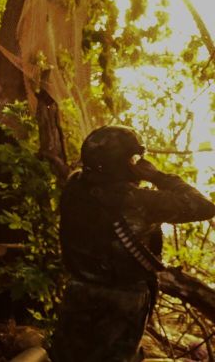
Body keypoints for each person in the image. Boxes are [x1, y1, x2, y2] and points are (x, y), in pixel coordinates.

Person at [49, 125, 215, 362]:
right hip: (122, 302)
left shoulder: (75, 186)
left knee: (67, 356)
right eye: (134, 159)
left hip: (79, 292)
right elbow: (204, 207)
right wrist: (156, 176)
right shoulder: (135, 201)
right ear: (126, 163)